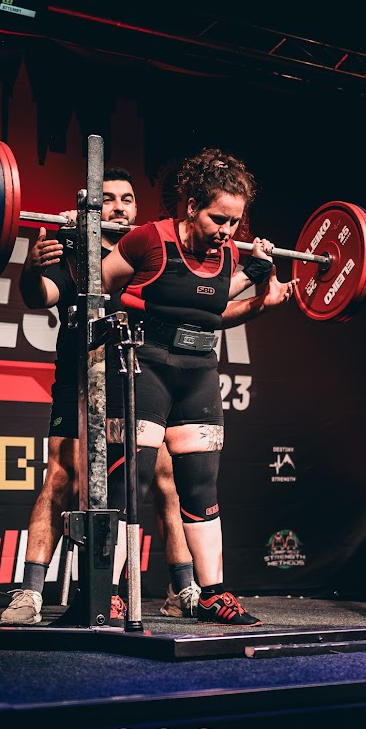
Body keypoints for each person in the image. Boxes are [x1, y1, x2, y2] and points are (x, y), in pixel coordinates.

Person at [102, 147, 299, 626]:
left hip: (198, 371)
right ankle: (106, 593)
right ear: (191, 205)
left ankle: (212, 594)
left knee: (201, 487)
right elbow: (96, 285)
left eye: (235, 221)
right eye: (218, 218)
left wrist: (256, 292)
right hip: (142, 364)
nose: (228, 230)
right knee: (132, 482)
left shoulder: (229, 254)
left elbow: (209, 310)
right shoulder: (148, 239)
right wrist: (249, 274)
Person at [0, 168, 201, 628]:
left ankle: (182, 588)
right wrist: (31, 267)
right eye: (107, 199)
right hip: (79, 375)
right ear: (94, 206)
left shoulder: (148, 254)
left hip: (136, 377)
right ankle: (29, 593)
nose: (118, 207)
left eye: (127, 199)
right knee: (62, 476)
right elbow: (40, 295)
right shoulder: (75, 250)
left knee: (164, 477)